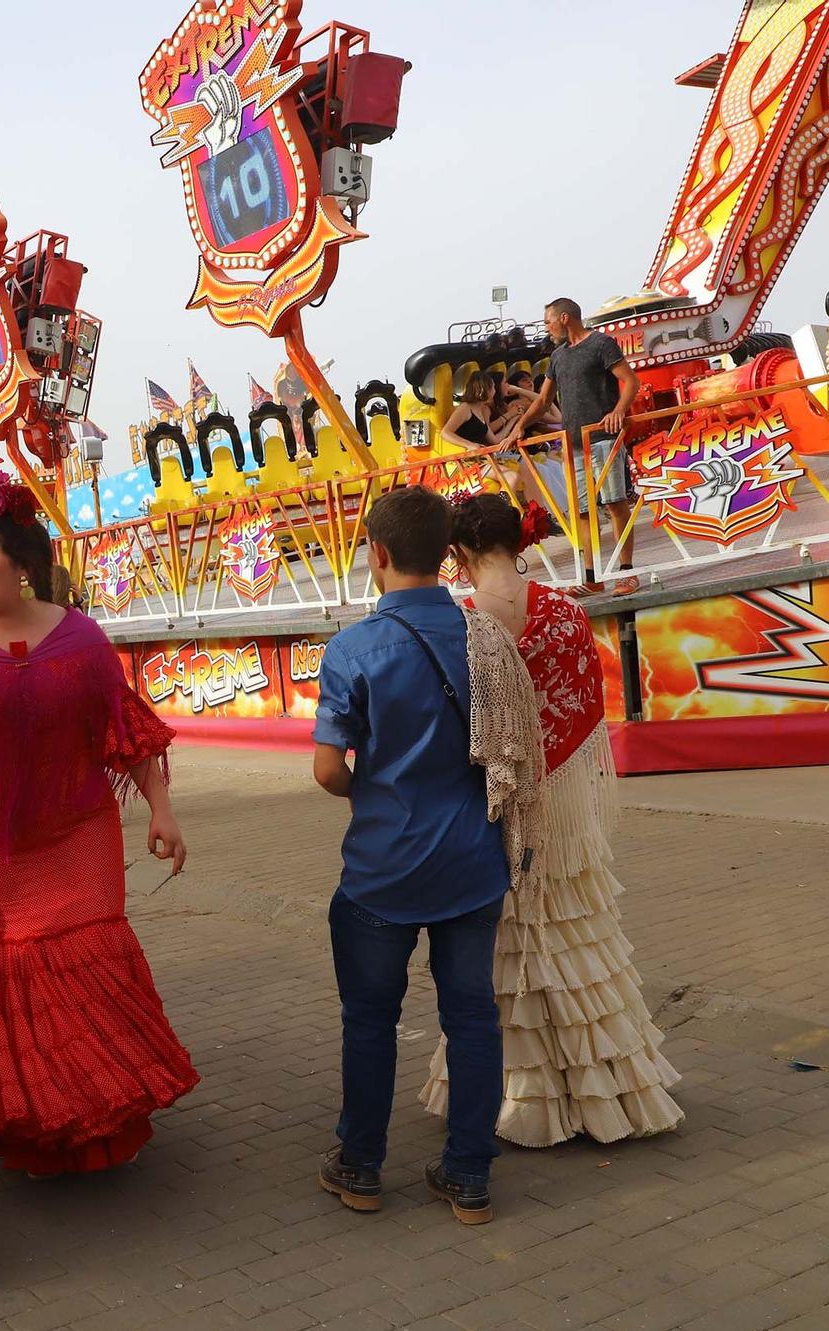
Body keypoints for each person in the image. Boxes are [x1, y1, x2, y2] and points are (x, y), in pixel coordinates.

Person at [0, 472, 196, 1177]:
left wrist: (161, 811)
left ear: (21, 565)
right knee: (24, 957)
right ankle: (40, 1127)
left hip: (83, 830)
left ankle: (108, 1116)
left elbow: (126, 733)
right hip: (0, 841)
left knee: (93, 952)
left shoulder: (81, 637)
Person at [312, 487, 542, 1227]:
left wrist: (369, 791)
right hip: (474, 862)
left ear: (377, 554)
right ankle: (469, 1176)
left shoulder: (353, 649)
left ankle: (361, 1166)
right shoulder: (488, 638)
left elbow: (326, 770)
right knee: (472, 1018)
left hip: (382, 868)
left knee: (370, 1020)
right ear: (448, 555)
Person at [422, 494, 682, 1144]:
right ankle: (611, 1092)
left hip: (491, 801)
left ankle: (521, 1099)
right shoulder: (566, 614)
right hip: (564, 804)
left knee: (503, 946)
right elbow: (584, 712)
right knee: (579, 934)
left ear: (456, 552)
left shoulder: (461, 624)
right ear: (521, 541)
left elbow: (462, 727)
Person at [510, 298, 643, 596]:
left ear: (565, 318)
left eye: (548, 321)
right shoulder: (557, 357)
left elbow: (630, 382)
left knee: (615, 503)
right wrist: (519, 427)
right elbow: (543, 401)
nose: (546, 327)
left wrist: (618, 411)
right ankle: (592, 576)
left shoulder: (601, 344)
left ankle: (627, 571)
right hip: (574, 446)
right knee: (582, 511)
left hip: (603, 438)